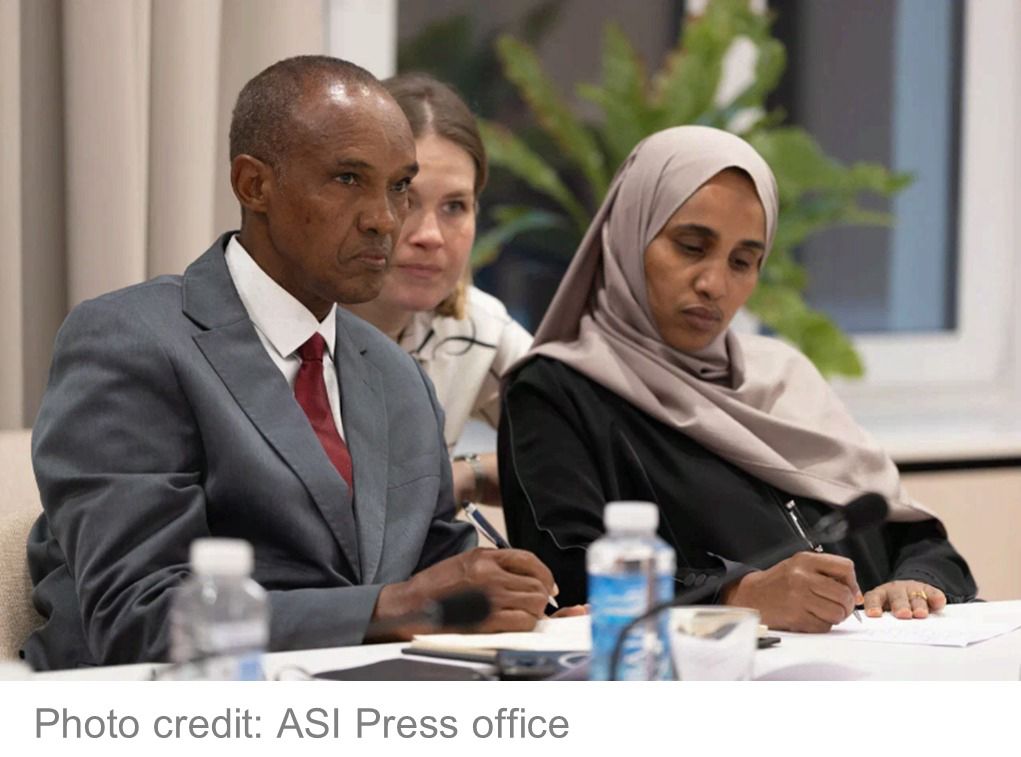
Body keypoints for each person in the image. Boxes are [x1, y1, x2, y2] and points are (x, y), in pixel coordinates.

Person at [24, 56, 559, 671]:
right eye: (348, 179)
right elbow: (135, 616)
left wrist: (524, 607)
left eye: (398, 186)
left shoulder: (397, 376)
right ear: (254, 185)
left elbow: (437, 565)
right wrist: (394, 606)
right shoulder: (132, 339)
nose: (385, 219)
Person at [499, 125, 976, 632]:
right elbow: (569, 575)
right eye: (690, 247)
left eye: (743, 261)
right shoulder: (557, 391)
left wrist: (915, 584)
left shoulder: (782, 378)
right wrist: (736, 595)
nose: (714, 284)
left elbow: (918, 540)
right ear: (628, 235)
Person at [346, 73, 531, 506]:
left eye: (454, 206)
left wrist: (468, 474)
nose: (430, 235)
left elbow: (595, 455)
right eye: (405, 198)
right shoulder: (290, 330)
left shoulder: (476, 328)